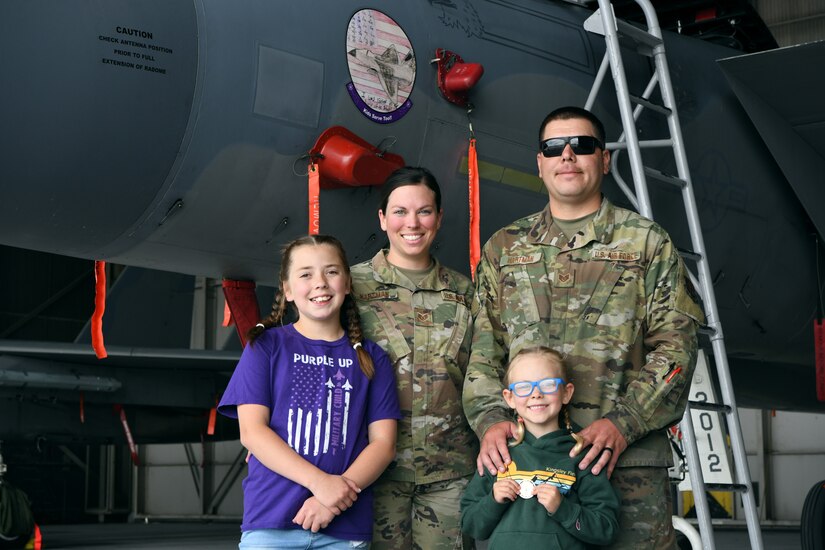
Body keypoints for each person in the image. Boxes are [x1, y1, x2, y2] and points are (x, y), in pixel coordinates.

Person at [463, 106, 704, 548]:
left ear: (605, 159)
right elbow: (483, 351)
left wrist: (624, 422)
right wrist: (491, 422)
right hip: (526, 467)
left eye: (583, 145)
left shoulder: (647, 243)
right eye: (554, 147)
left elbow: (677, 349)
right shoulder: (504, 248)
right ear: (540, 163)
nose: (568, 155)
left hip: (622, 463)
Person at [218, 234, 401, 549]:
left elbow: (383, 445)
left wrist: (329, 502)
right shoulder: (266, 347)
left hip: (345, 529)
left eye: (331, 271)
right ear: (287, 290)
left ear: (347, 283)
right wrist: (320, 484)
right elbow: (252, 432)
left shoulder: (372, 358)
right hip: (271, 522)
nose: (320, 283)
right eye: (305, 274)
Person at [351, 166, 478, 549]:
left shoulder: (465, 293)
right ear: (382, 218)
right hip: (372, 472)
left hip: (450, 474)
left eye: (424, 211)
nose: (412, 223)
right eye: (400, 211)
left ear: (439, 218)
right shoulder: (349, 287)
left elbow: (484, 372)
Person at [460, 346, 619, 548]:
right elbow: (471, 526)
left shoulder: (582, 456)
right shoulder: (499, 454)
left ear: (566, 393)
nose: (536, 394)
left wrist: (563, 509)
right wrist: (493, 500)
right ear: (509, 398)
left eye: (548, 384)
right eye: (524, 387)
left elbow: (606, 529)